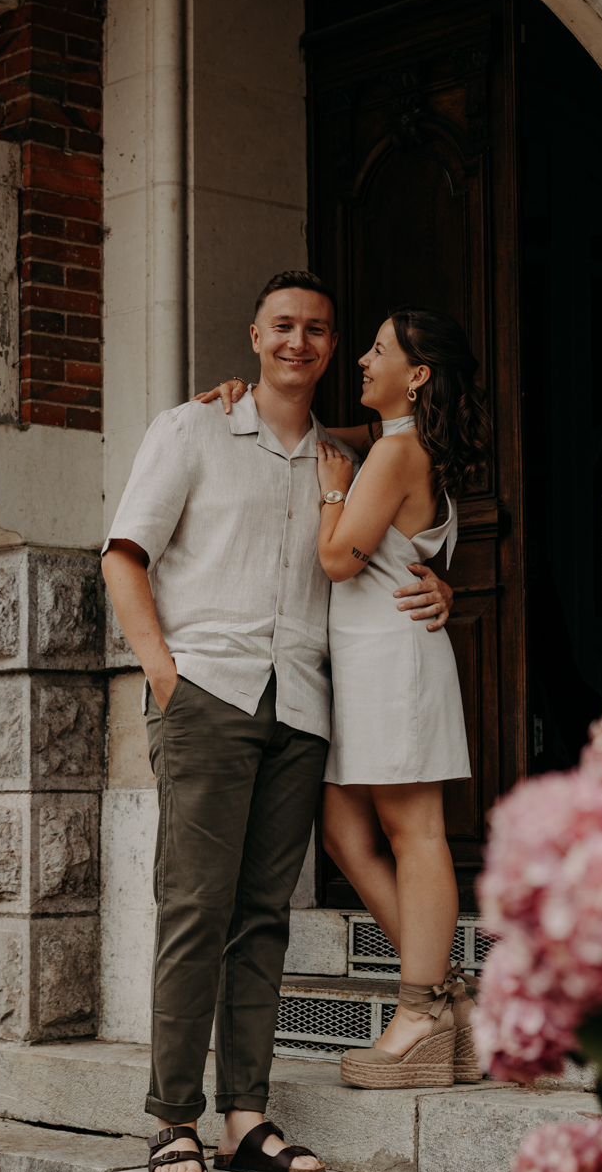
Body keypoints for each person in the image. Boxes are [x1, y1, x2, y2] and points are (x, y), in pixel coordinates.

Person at [101, 272, 454, 1172]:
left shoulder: (346, 456)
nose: (300, 342)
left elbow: (382, 558)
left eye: (319, 331)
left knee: (264, 921)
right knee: (194, 912)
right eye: (283, 327)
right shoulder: (192, 429)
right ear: (254, 335)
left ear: (332, 347)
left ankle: (245, 1119)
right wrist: (163, 674)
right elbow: (123, 556)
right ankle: (173, 1118)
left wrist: (439, 584)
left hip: (302, 706)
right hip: (208, 693)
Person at [198, 307, 490, 1089]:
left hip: (393, 660)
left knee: (413, 830)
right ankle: (444, 994)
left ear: (417, 374)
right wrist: (247, 392)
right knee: (343, 832)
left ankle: (421, 1009)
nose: (360, 359)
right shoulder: (387, 444)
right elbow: (322, 435)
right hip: (361, 664)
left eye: (379, 350)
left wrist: (332, 495)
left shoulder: (397, 454)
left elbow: (335, 559)